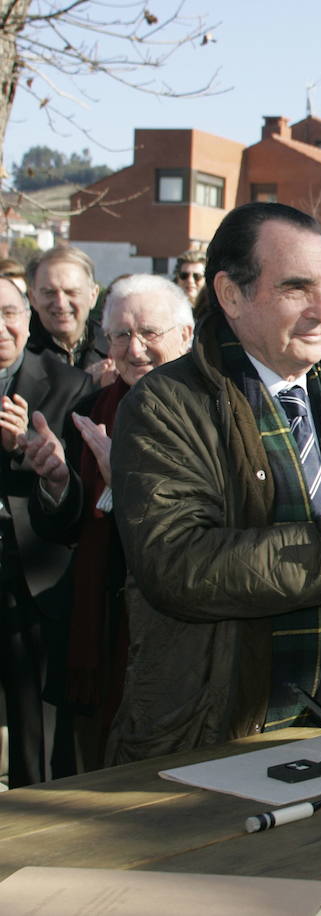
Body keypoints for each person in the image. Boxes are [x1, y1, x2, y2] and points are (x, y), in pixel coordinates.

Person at [106, 202, 321, 764]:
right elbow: (176, 565)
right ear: (231, 293)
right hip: (211, 735)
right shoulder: (165, 405)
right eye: (297, 289)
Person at [24, 275, 194, 772]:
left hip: (175, 632)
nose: (134, 349)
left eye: (149, 333)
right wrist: (57, 482)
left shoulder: (215, 412)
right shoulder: (89, 411)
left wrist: (123, 485)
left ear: (185, 335)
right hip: (100, 624)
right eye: (120, 335)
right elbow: (66, 528)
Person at [0, 277, 95, 786]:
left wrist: (24, 448)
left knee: (37, 731)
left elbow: (69, 496)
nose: (1, 328)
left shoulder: (66, 384)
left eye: (10, 314)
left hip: (30, 573)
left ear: (27, 316)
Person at [26, 246, 115, 387]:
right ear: (33, 298)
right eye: (49, 293)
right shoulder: (16, 353)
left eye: (71, 292)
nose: (61, 303)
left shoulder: (115, 349)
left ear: (93, 295)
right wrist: (83, 384)